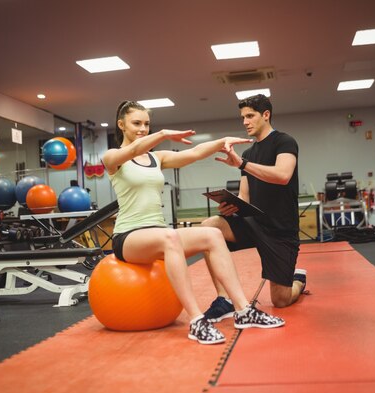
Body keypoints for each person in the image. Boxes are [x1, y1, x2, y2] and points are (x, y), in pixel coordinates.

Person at [102, 100, 285, 345]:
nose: (143, 128)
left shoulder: (157, 158)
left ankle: (243, 310)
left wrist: (221, 143)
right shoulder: (113, 158)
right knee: (170, 238)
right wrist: (164, 133)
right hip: (129, 237)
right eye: (137, 123)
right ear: (121, 124)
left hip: (158, 233)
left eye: (147, 123)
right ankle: (196, 321)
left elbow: (195, 153)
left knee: (211, 234)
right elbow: (133, 151)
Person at [201, 94, 307, 321]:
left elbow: (283, 175)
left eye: (250, 116)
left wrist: (242, 163)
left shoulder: (285, 142)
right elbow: (244, 196)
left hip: (281, 231)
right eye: (242, 117)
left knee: (281, 300)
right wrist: (232, 206)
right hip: (254, 224)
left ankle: (298, 280)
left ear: (266, 115)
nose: (245, 122)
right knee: (209, 228)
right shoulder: (249, 153)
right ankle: (223, 299)